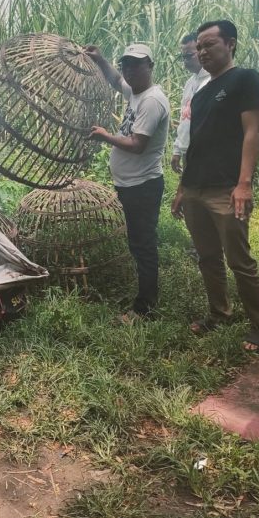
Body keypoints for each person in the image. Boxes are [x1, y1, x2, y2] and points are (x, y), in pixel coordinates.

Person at [171, 20, 259, 352]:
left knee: (239, 260)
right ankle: (220, 314)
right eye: (199, 47)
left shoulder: (245, 79)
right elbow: (196, 144)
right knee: (207, 256)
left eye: (209, 45)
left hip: (226, 189)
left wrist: (244, 184)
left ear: (230, 44)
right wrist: (182, 188)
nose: (202, 52)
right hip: (195, 188)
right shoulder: (201, 94)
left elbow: (252, 133)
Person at [85, 43, 170, 320]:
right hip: (130, 184)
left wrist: (105, 136)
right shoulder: (135, 91)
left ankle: (145, 308)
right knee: (138, 242)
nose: (130, 70)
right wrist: (100, 60)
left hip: (142, 186)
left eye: (137, 64)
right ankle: (144, 295)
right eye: (126, 65)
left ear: (150, 66)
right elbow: (115, 80)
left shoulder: (151, 101)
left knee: (143, 245)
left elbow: (137, 145)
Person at [170, 32, 210, 174]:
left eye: (189, 56)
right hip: (187, 152)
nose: (185, 61)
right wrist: (177, 150)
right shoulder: (189, 83)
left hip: (205, 154)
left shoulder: (211, 82)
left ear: (202, 52)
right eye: (183, 57)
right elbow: (184, 119)